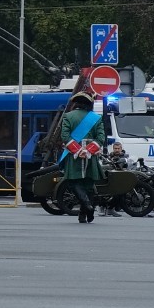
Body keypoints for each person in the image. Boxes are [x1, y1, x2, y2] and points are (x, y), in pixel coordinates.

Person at [56, 92, 105, 224]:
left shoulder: (68, 116)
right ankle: (86, 214)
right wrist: (87, 151)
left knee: (73, 182)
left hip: (74, 155)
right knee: (88, 184)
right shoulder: (96, 117)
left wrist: (78, 151)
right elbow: (101, 138)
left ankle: (87, 206)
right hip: (91, 155)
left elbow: (65, 137)